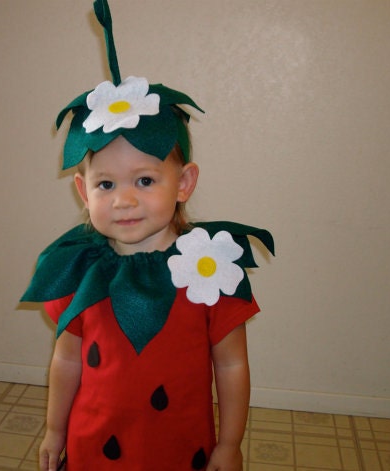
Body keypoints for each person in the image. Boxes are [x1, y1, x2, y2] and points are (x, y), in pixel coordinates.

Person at [21, 1, 274, 470]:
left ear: (183, 183)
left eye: (144, 180)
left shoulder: (211, 269)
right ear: (83, 191)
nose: (123, 200)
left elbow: (233, 366)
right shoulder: (78, 269)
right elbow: (67, 360)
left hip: (181, 448)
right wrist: (55, 430)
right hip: (93, 444)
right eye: (105, 184)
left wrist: (230, 443)